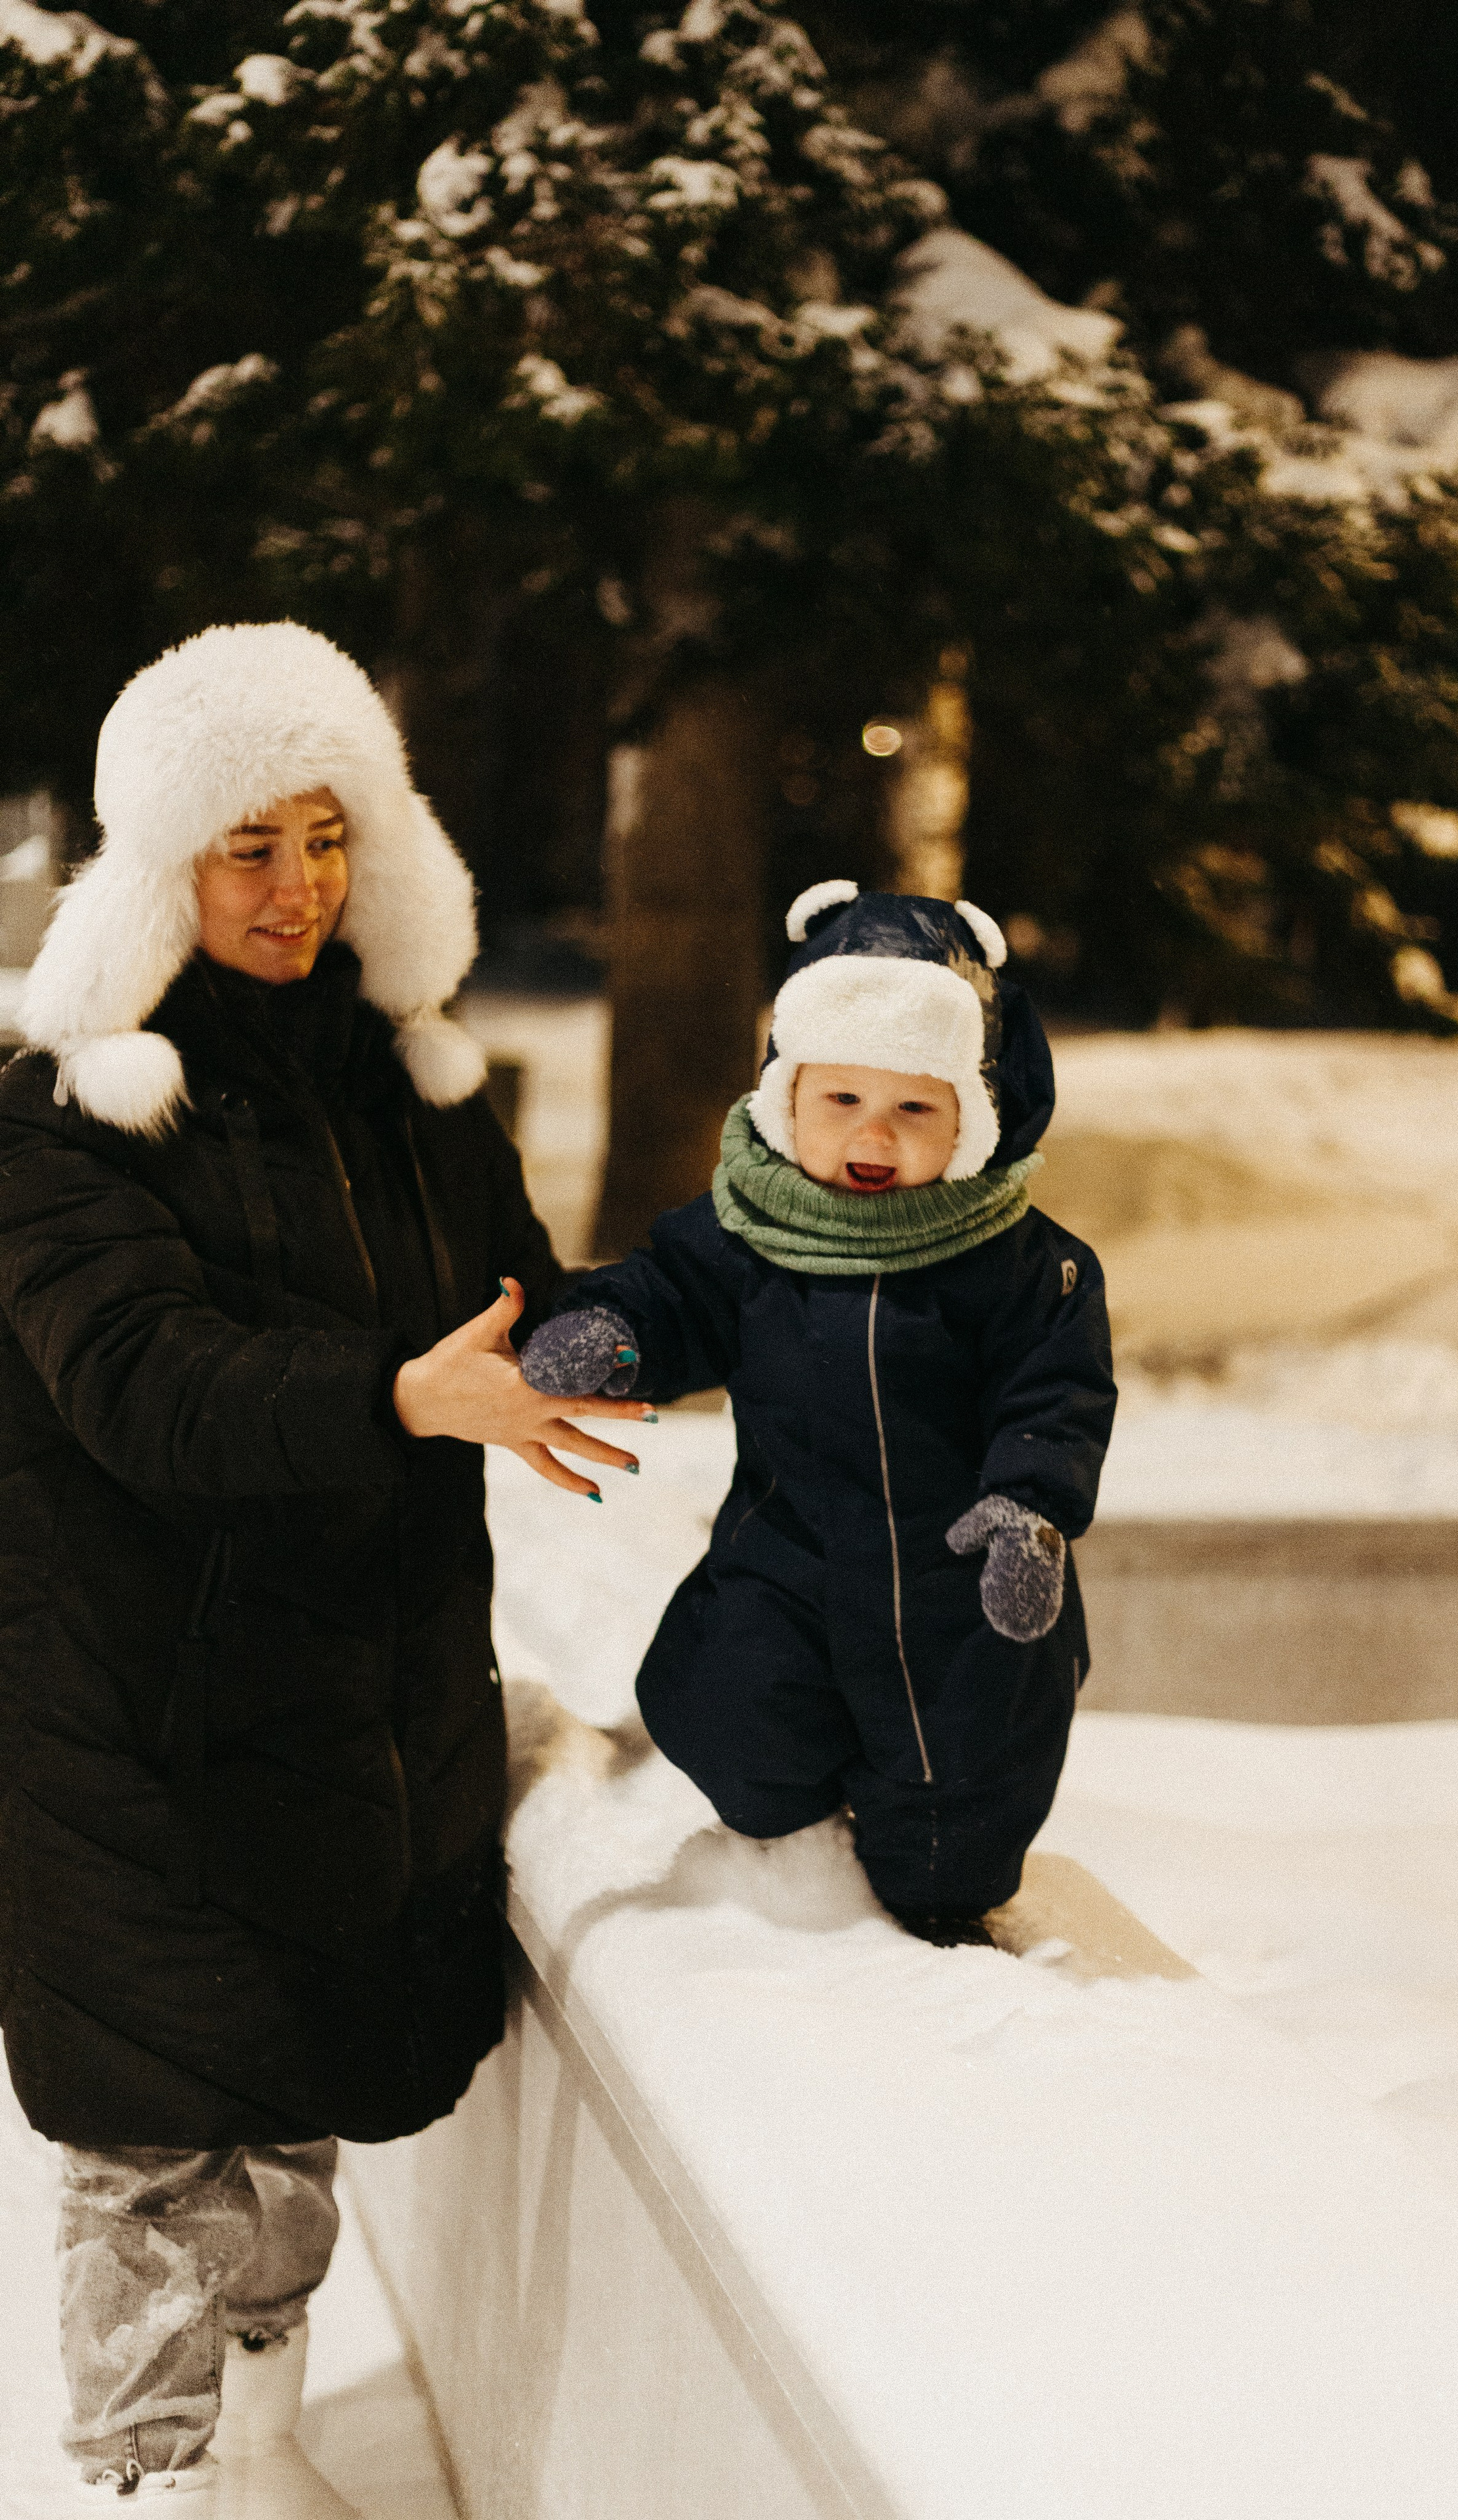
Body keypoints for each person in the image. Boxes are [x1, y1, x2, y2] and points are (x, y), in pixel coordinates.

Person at [0, 623, 646, 2512]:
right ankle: (149, 2483)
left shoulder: (403, 1082)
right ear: (159, 867)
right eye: (248, 847)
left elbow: (522, 1305)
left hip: (350, 1699)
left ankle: (261, 2452)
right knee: (157, 2146)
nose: (298, 887)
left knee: (285, 2109)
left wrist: (725, 1296)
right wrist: (400, 1395)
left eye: (327, 834)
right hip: (138, 1711)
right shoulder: (61, 1105)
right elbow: (144, 1382)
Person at [521, 880, 1117, 1946]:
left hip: (959, 1579)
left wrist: (1028, 1510)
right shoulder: (746, 1236)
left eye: (915, 1108)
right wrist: (611, 1334)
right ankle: (793, 1847)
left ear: (975, 1118)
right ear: (786, 1099)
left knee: (955, 1812)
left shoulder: (1024, 1268)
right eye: (841, 1098)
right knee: (737, 1719)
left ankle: (932, 1910)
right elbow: (672, 1294)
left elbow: (1056, 1393)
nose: (872, 1135)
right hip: (786, 1556)